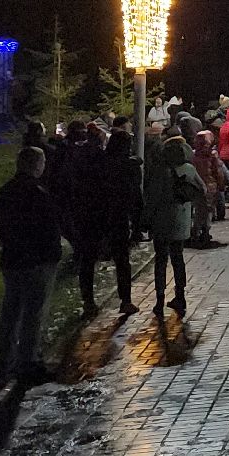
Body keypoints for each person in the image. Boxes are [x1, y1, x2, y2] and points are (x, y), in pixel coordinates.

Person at [0, 147, 63, 383]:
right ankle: (28, 362)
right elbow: (49, 229)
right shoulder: (38, 194)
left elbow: (3, 229)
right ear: (36, 165)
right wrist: (53, 254)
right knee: (33, 314)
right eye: (43, 162)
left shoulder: (5, 193)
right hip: (36, 262)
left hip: (12, 260)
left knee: (11, 311)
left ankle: (6, 363)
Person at [75, 130, 141, 317]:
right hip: (116, 217)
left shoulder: (98, 162)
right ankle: (125, 300)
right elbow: (134, 197)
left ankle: (88, 301)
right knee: (121, 260)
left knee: (89, 259)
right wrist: (137, 224)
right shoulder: (127, 166)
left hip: (94, 216)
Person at [144, 136, 200, 319]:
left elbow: (152, 198)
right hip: (181, 220)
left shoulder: (160, 172)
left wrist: (145, 219)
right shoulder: (189, 169)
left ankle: (160, 299)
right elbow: (202, 190)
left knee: (161, 260)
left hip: (162, 221)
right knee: (178, 258)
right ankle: (180, 295)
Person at [188, 130, 229, 247]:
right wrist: (221, 185)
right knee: (207, 211)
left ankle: (195, 232)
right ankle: (205, 232)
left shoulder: (193, 155)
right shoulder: (212, 155)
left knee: (198, 210)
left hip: (195, 186)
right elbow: (218, 172)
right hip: (210, 187)